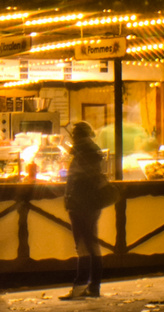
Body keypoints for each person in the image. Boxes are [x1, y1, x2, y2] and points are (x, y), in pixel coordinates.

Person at [60, 122, 107, 301]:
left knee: (85, 246)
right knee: (89, 245)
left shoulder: (83, 152)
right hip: (90, 203)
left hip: (81, 204)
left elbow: (79, 178)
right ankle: (92, 286)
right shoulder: (91, 151)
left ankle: (83, 286)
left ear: (76, 136)